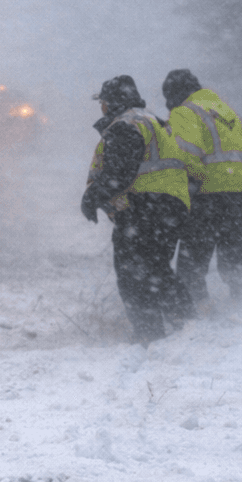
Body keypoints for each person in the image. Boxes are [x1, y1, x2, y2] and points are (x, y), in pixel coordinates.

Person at [80, 75, 198, 342]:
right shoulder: (152, 120)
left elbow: (119, 173)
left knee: (133, 275)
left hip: (145, 207)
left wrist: (92, 197)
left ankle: (150, 335)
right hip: (169, 208)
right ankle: (188, 327)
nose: (102, 108)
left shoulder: (125, 125)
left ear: (110, 103)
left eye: (103, 102)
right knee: (157, 270)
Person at [162, 69, 242, 305]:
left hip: (207, 198)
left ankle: (195, 317)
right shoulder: (227, 112)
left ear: (175, 94)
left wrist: (187, 188)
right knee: (234, 259)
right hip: (241, 197)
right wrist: (238, 181)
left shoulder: (185, 112)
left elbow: (186, 156)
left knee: (192, 265)